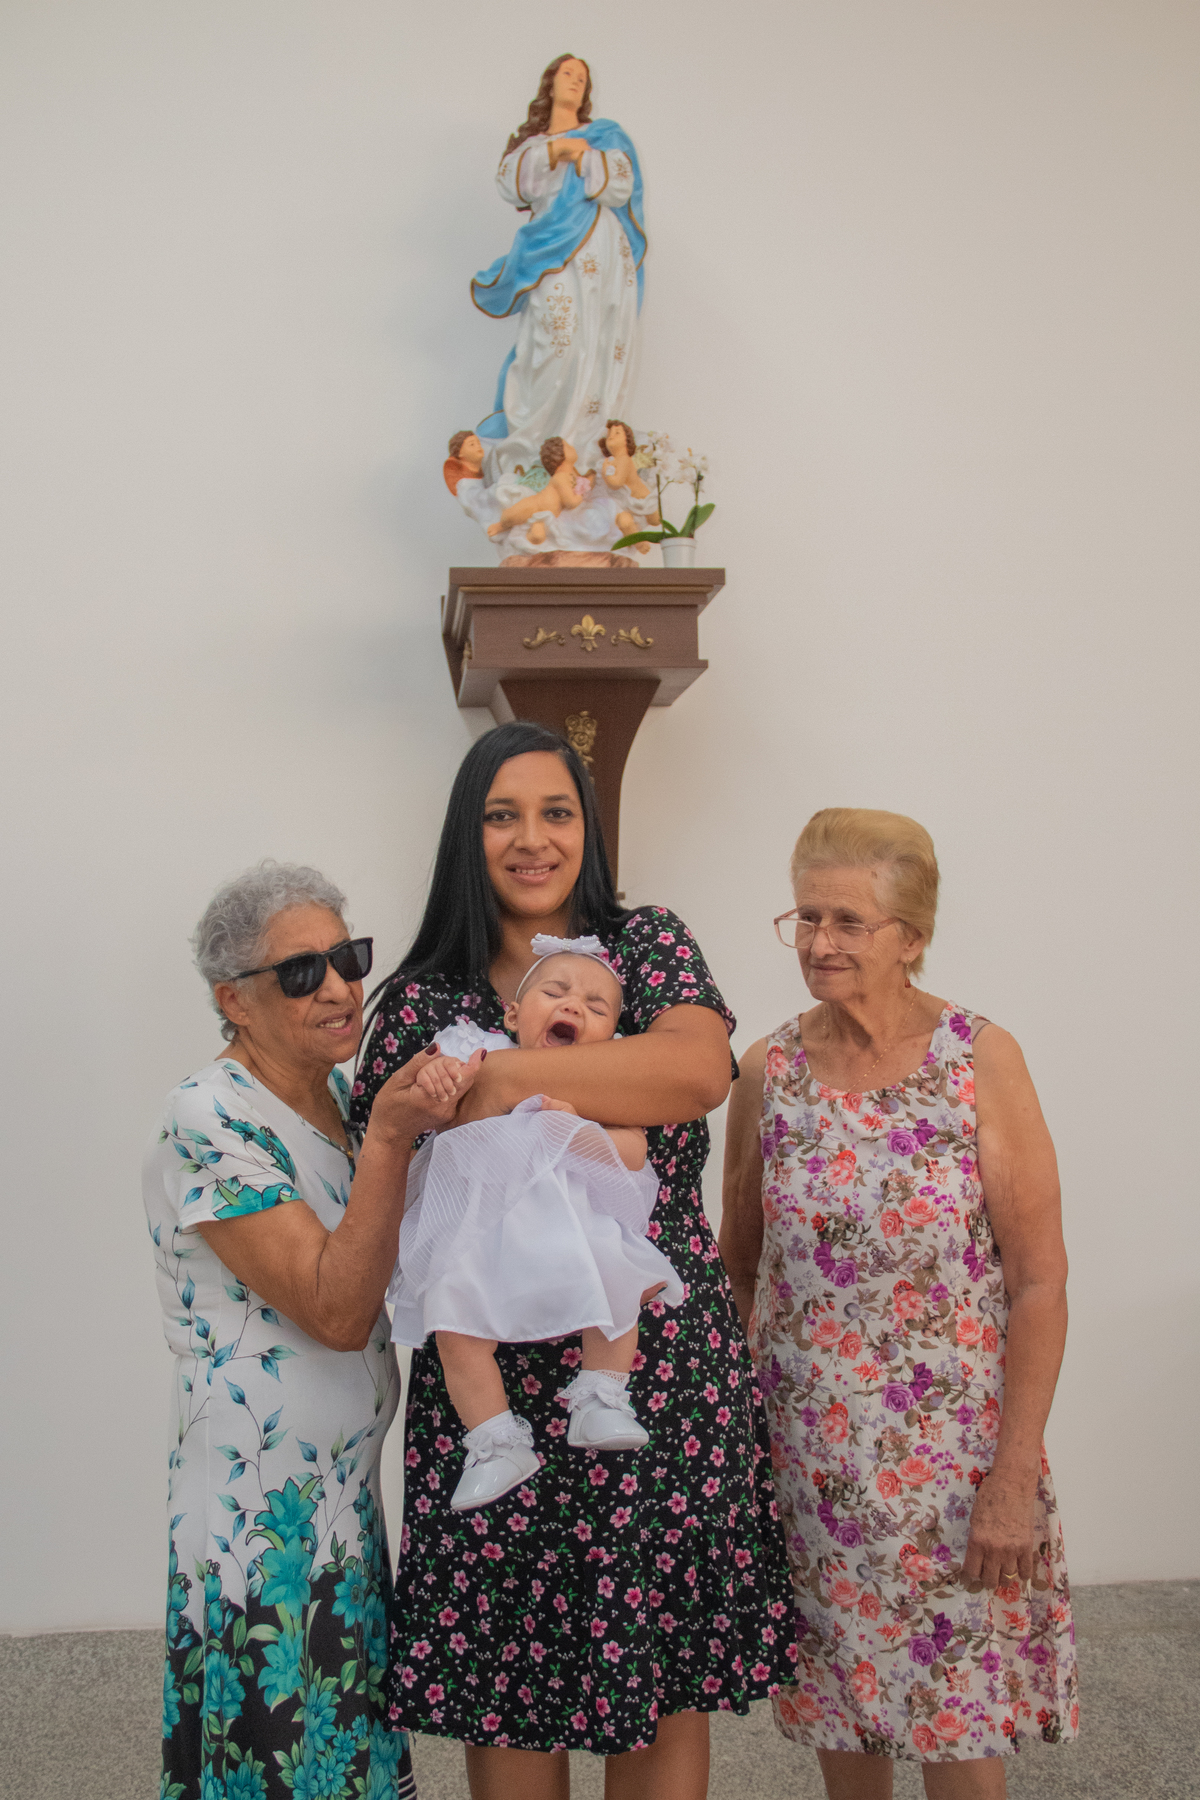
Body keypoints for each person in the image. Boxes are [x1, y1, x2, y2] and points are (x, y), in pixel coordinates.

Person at [352, 721, 795, 1799]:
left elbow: (695, 1073)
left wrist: (493, 1080)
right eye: (502, 815)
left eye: (557, 813)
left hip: (650, 1374)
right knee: (506, 1688)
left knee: (659, 1686)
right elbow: (394, 1168)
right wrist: (593, 1075)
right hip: (490, 1395)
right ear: (467, 835)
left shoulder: (643, 945)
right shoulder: (420, 996)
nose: (533, 839)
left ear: (587, 828)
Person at [719, 809, 1079, 1798]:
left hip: (955, 1466)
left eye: (849, 921)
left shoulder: (979, 1060)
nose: (820, 942)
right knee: (847, 1715)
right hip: (811, 1467)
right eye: (806, 918)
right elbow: (740, 1267)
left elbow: (1040, 1281)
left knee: (962, 1725)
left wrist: (1013, 1477)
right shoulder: (765, 1071)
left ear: (912, 937)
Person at [144, 861, 479, 1800]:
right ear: (234, 1001)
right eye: (300, 973)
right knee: (275, 1754)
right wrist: (393, 1139)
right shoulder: (209, 1115)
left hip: (340, 1498)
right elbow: (335, 1309)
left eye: (347, 958)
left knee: (343, 1755)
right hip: (258, 1510)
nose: (337, 988)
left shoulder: (337, 1098)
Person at [390, 934, 685, 1511]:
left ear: (612, 1038)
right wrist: (439, 1078)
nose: (574, 1005)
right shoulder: (478, 1052)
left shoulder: (599, 1083)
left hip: (574, 1233)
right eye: (555, 992)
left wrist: (575, 1128)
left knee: (620, 1287)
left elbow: (634, 1153)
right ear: (512, 1014)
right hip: (484, 1236)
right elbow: (436, 1109)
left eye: (597, 1007)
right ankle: (495, 1442)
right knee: (454, 1326)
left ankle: (601, 1398)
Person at [471, 55, 645, 488]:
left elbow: (620, 184)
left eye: (582, 78)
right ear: (549, 83)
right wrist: (560, 149)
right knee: (556, 343)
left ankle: (584, 460)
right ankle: (534, 455)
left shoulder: (604, 136)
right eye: (567, 73)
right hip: (551, 251)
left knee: (596, 345)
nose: (575, 81)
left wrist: (584, 155)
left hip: (603, 254)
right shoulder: (531, 147)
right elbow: (511, 183)